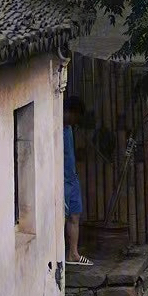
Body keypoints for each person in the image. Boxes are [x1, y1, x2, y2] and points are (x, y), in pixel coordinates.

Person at [63, 94, 92, 266]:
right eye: (75, 117)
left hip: (71, 177)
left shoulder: (68, 129)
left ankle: (73, 253)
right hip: (62, 179)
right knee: (62, 216)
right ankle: (59, 254)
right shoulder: (54, 127)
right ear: (69, 112)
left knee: (75, 215)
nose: (76, 121)